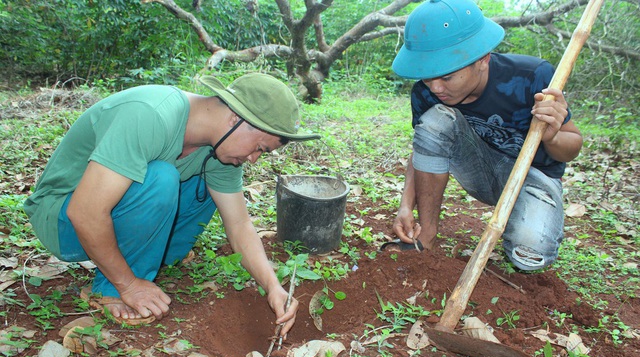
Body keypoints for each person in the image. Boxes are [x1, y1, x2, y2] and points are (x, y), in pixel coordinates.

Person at [24, 73, 319, 334]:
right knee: (161, 177)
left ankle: (152, 255)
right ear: (237, 118)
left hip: (110, 214)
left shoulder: (219, 147)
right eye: (258, 148)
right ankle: (112, 286)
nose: (253, 159)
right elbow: (84, 212)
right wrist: (129, 284)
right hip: (62, 219)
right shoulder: (150, 115)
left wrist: (272, 287)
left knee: (211, 180)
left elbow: (239, 224)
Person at [390, 0, 583, 271]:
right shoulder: (426, 92)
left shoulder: (531, 77)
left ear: (482, 59)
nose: (435, 87)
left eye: (447, 76)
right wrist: (405, 205)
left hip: (533, 176)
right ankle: (427, 235)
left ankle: (523, 224)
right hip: (477, 169)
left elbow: (572, 147)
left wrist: (551, 136)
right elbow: (424, 147)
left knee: (529, 257)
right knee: (434, 118)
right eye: (426, 76)